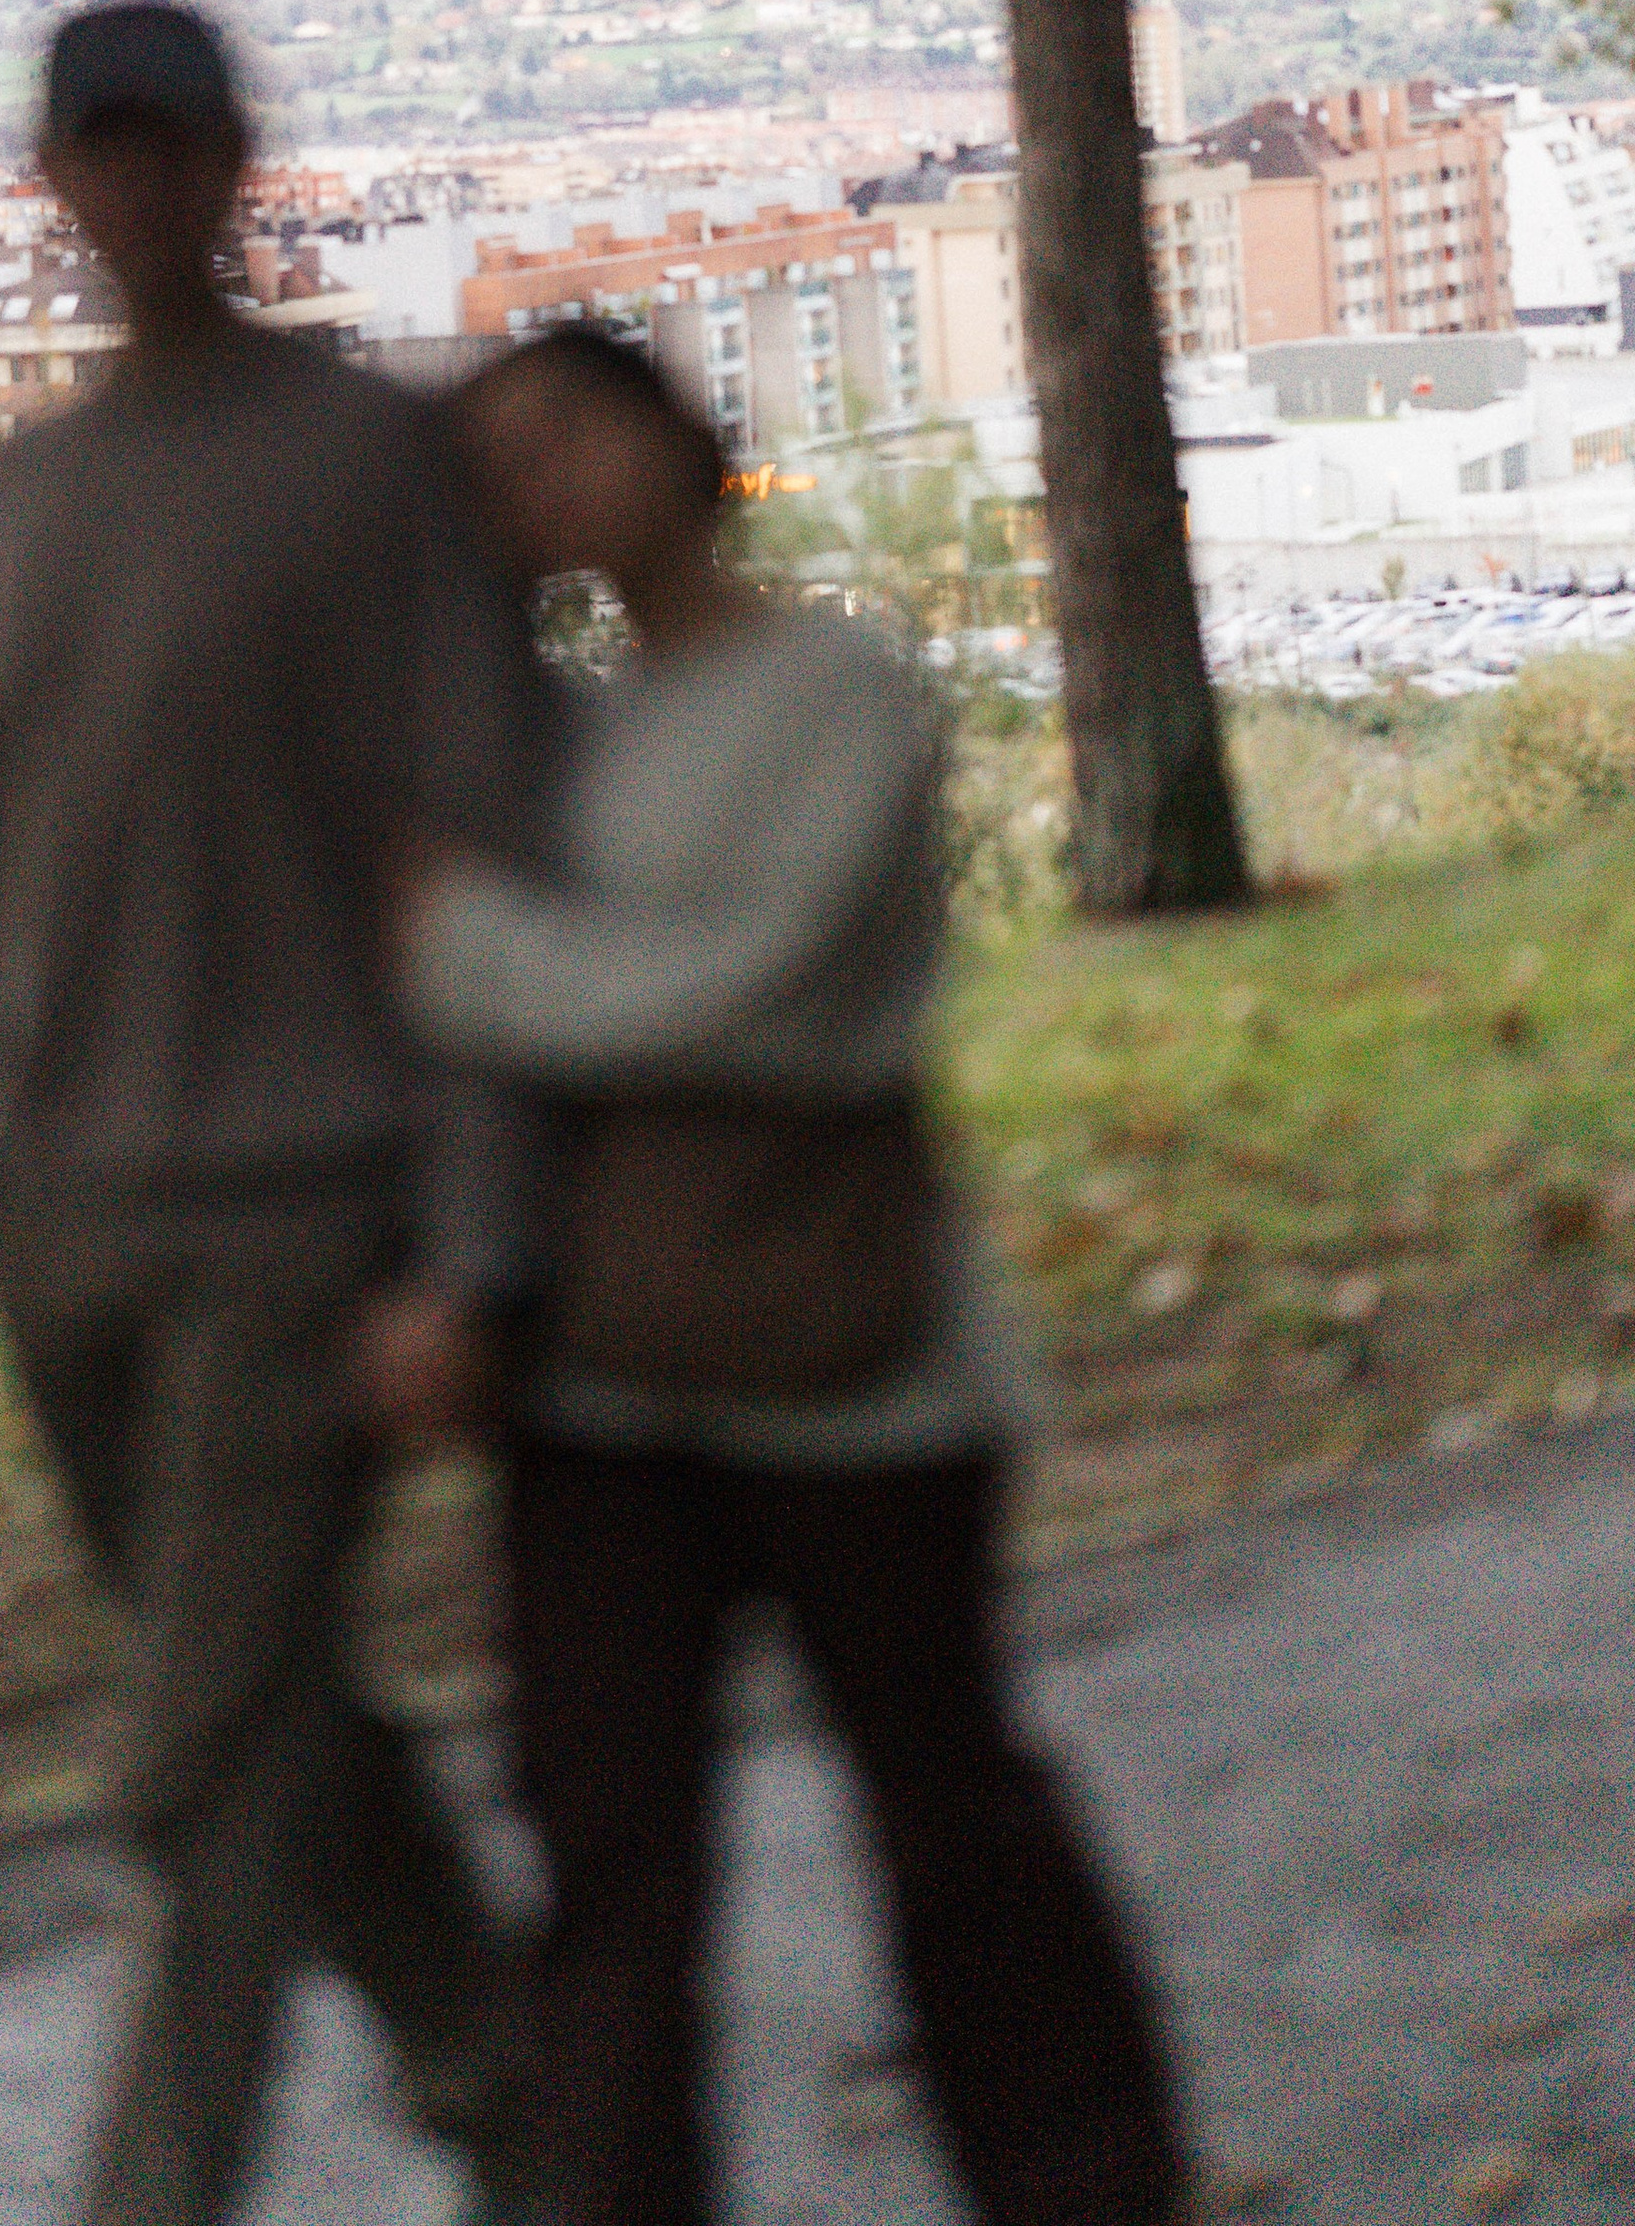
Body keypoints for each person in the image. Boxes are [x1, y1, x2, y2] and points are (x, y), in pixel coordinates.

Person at [406, 326, 1192, 2226]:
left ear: (684, 431)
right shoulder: (539, 737)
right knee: (607, 1863)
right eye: (499, 461)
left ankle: (1085, 2188)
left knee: (951, 1818)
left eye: (573, 430)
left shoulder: (841, 686)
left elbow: (762, 992)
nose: (547, 481)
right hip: (601, 1380)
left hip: (859, 1351)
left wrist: (470, 956)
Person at [0, 0, 548, 2226]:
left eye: (167, 149)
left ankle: (150, 2195)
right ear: (54, 185)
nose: (131, 195)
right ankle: (516, 2095)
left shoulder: (366, 466)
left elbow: (483, 859)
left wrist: (473, 1244)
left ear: (234, 168)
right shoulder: (34, 490)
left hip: (306, 1217)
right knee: (263, 1704)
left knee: (199, 1755)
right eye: (90, 153)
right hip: (65, 1216)